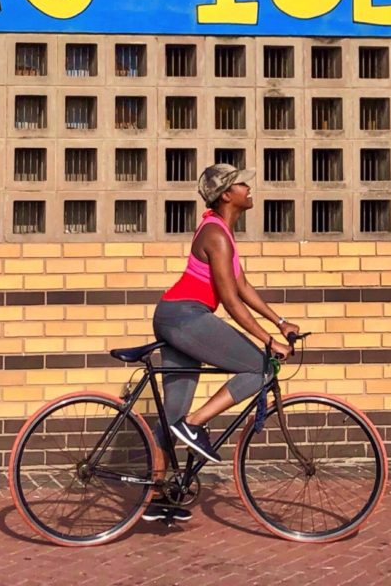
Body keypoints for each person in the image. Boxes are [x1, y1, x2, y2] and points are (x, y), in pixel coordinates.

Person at [142, 163, 300, 523]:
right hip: (184, 317)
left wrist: (278, 320)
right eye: (243, 184)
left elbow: (242, 288)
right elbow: (230, 301)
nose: (250, 188)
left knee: (170, 416)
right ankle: (195, 424)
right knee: (260, 367)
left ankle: (157, 496)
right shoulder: (214, 233)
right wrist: (268, 341)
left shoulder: (222, 232)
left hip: (177, 317)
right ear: (227, 194)